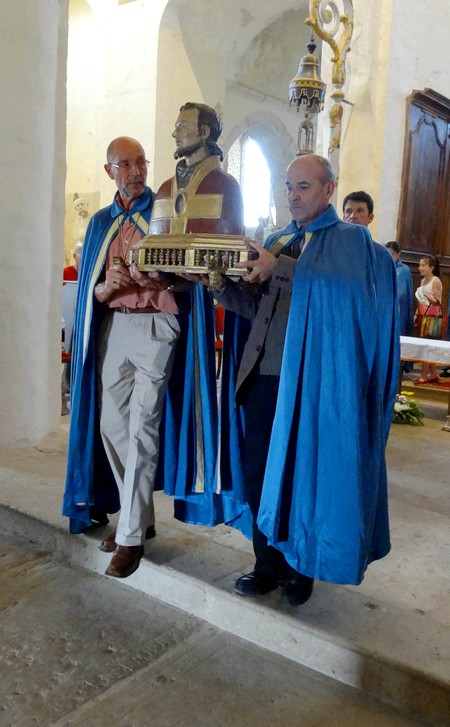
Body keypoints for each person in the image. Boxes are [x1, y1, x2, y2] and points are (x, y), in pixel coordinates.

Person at [210, 155, 399, 605]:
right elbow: (261, 310)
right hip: (264, 377)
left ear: (330, 189)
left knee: (300, 477)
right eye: (288, 186)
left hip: (311, 386)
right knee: (258, 476)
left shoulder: (351, 241)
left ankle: (301, 569)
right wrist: (219, 284)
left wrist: (282, 268)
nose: (293, 195)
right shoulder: (278, 239)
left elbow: (343, 295)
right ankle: (265, 564)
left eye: (304, 187)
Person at [63, 136, 185, 579]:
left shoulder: (168, 211)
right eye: (126, 165)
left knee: (142, 427)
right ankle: (141, 518)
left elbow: (186, 276)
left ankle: (130, 535)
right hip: (114, 327)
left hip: (155, 323)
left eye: (141, 163)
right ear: (109, 170)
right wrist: (107, 286)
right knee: (110, 425)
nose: (136, 171)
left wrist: (162, 273)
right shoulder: (101, 223)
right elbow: (89, 294)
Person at [149, 102, 251, 534]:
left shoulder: (225, 185)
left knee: (195, 399)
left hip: (204, 311)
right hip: (161, 306)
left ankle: (202, 486)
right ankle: (142, 503)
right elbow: (155, 244)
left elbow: (231, 252)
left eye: (183, 126)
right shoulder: (166, 186)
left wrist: (199, 274)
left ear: (206, 132)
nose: (175, 132)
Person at [414, 255, 443, 384]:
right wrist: (416, 312)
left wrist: (426, 295)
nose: (420, 268)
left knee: (428, 344)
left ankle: (424, 375)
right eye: (420, 265)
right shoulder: (422, 281)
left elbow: (437, 301)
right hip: (423, 314)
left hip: (433, 316)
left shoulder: (436, 281)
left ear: (431, 267)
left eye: (423, 265)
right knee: (426, 343)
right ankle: (433, 373)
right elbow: (421, 300)